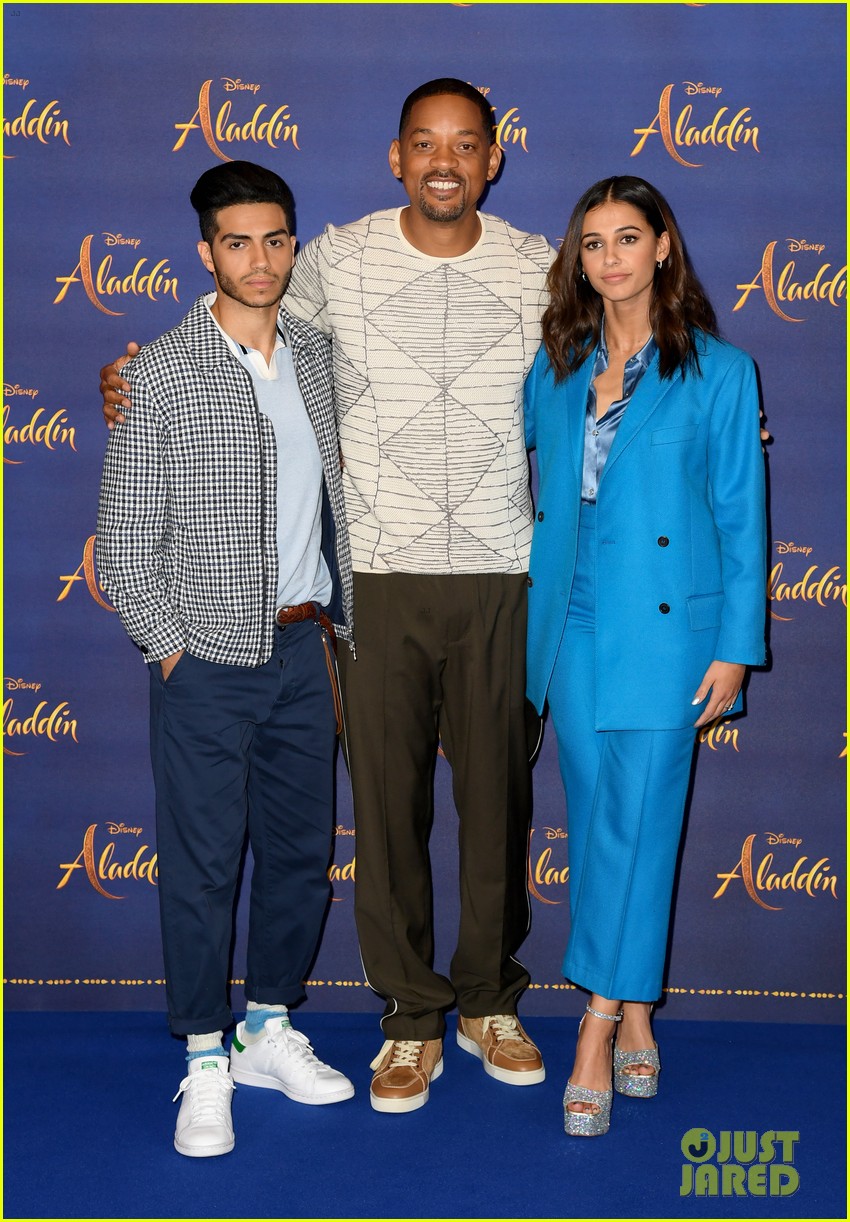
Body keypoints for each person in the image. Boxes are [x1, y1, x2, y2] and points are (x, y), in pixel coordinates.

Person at [101, 79, 553, 1114]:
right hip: (374, 585)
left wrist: (691, 416)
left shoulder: (537, 264)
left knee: (495, 810)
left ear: (493, 157)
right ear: (396, 157)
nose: (445, 159)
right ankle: (405, 1019)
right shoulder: (335, 260)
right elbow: (230, 319)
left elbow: (611, 357)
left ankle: (487, 1001)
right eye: (424, 143)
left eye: (467, 143)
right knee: (384, 821)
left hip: (497, 569)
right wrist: (136, 373)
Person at [97, 160, 356, 1158]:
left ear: (295, 244)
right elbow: (123, 540)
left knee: (296, 859)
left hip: (306, 646)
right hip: (204, 659)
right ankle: (205, 1054)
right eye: (238, 242)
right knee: (204, 868)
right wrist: (170, 649)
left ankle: (268, 1027)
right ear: (205, 252)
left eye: (276, 239)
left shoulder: (320, 355)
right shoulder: (161, 368)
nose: (261, 259)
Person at [523, 176, 767, 1136]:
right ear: (576, 257)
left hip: (670, 634)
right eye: (592, 242)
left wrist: (736, 650)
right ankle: (636, 1014)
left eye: (629, 237)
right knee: (598, 828)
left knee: (645, 825)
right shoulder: (554, 364)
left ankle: (595, 1024)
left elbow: (744, 522)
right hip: (572, 621)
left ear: (664, 246)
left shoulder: (721, 371)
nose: (610, 258)